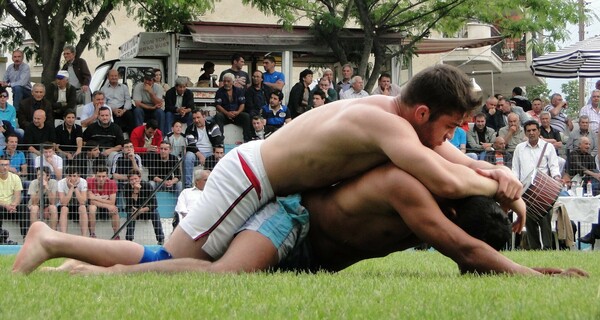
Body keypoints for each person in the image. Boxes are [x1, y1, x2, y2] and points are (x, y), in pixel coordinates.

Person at [13, 64, 526, 273]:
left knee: (170, 255)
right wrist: (502, 185)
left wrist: (498, 177)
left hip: (256, 175)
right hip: (252, 178)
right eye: (449, 125)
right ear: (422, 113)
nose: (451, 137)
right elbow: (444, 176)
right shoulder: (387, 127)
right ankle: (66, 250)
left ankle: (60, 246)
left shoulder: (392, 113)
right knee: (182, 263)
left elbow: (452, 159)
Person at [13, 164, 584, 277]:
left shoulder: (441, 208)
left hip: (304, 246)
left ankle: (56, 241)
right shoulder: (411, 190)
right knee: (214, 275)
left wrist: (510, 210)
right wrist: (531, 273)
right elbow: (468, 249)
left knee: (172, 261)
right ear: (454, 208)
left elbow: (473, 248)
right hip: (291, 220)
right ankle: (91, 272)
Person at [512, 120, 561, 250]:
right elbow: (515, 170)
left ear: (539, 131)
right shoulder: (519, 148)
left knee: (545, 220)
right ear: (525, 132)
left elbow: (554, 167)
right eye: (529, 131)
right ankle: (534, 249)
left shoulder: (548, 147)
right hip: (525, 191)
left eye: (534, 130)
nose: (532, 133)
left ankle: (547, 248)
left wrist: (556, 178)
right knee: (529, 220)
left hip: (544, 190)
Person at [123, 169, 164, 245]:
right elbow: (129, 205)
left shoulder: (147, 185)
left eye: (135, 179)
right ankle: (129, 240)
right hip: (134, 211)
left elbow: (154, 204)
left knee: (155, 213)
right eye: (131, 180)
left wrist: (141, 210)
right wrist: (135, 192)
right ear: (129, 181)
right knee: (130, 213)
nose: (134, 181)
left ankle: (160, 239)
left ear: (140, 178)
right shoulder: (126, 187)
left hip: (146, 211)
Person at [183, 110, 223, 188]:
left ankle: (216, 184)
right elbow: (191, 145)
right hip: (196, 154)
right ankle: (187, 185)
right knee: (188, 156)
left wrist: (214, 154)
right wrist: (200, 156)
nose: (196, 120)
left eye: (198, 117)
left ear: (204, 117)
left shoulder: (213, 125)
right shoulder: (190, 128)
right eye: (194, 118)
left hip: (211, 152)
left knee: (219, 155)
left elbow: (218, 141)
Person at [214, 73, 252, 142]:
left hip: (236, 114)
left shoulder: (239, 91)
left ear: (233, 82)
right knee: (218, 116)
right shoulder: (219, 92)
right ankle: (219, 141)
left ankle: (247, 140)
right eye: (224, 81)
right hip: (225, 115)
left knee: (246, 116)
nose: (226, 83)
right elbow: (218, 105)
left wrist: (237, 112)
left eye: (228, 81)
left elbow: (242, 104)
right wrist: (227, 113)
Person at [86, 166, 119, 239]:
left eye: (103, 176)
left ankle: (116, 235)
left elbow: (112, 202)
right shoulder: (89, 181)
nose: (101, 179)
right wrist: (105, 201)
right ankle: (92, 234)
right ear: (95, 176)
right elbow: (91, 200)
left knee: (114, 210)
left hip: (104, 206)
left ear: (107, 176)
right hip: (95, 205)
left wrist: (96, 198)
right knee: (92, 208)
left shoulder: (112, 183)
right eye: (99, 176)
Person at [0, 156, 27, 242]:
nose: (4, 167)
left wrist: (14, 205)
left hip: (12, 208)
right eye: (2, 165)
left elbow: (18, 196)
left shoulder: (15, 178)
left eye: (7, 165)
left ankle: (26, 237)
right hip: (1, 206)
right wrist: (6, 205)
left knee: (24, 208)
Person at [101, 69, 135, 134]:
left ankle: (131, 139)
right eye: (112, 76)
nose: (114, 77)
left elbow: (128, 99)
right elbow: (103, 102)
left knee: (130, 116)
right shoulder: (103, 89)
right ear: (108, 77)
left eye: (115, 76)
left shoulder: (124, 87)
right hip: (110, 110)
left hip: (123, 109)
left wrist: (124, 110)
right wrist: (112, 110)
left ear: (118, 77)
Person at [57, 166, 88, 236]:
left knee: (83, 208)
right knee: (64, 209)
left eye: (74, 176)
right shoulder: (61, 183)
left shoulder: (83, 182)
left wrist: (75, 187)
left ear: (78, 176)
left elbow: (83, 201)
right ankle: (64, 236)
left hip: (78, 205)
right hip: (66, 205)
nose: (72, 178)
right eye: (69, 176)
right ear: (66, 176)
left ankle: (84, 236)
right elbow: (63, 203)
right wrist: (71, 188)